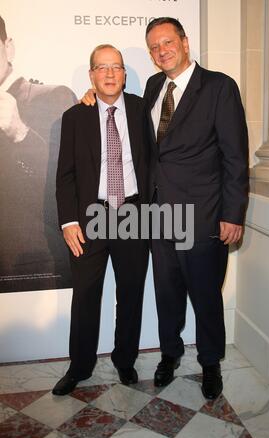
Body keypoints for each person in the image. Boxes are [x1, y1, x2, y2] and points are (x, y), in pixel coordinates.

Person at [82, 17, 249, 400]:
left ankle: (210, 363)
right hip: (159, 217)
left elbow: (235, 156)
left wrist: (233, 214)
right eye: (154, 46)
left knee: (205, 295)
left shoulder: (219, 87)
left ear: (185, 43)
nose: (161, 51)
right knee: (167, 294)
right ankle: (170, 355)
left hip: (204, 215)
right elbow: (119, 110)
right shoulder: (155, 87)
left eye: (168, 42)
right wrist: (90, 96)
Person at [52, 44, 149, 395]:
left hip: (135, 216)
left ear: (124, 74)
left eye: (117, 67)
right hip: (90, 218)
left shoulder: (142, 109)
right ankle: (79, 366)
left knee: (131, 294)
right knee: (86, 296)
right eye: (102, 67)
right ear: (92, 75)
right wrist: (68, 222)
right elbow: (65, 175)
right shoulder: (75, 116)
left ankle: (125, 361)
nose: (110, 73)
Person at [0, 15, 77, 293]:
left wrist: (20, 133)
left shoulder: (53, 97)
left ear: (9, 47)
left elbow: (68, 184)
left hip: (32, 269)